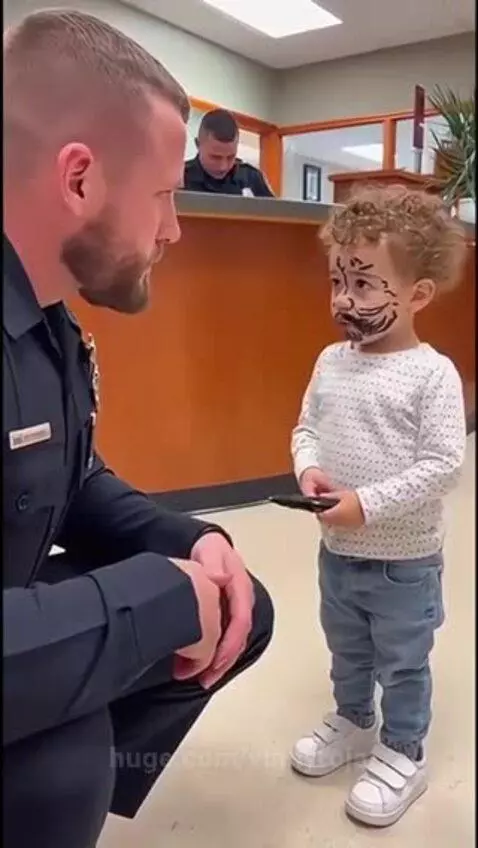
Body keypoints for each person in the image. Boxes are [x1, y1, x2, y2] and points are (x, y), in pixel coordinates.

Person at [3, 10, 274, 848]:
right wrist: (148, 602)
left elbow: (69, 478)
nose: (173, 228)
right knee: (65, 767)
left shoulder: (51, 321)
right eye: (163, 195)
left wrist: (184, 540)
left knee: (241, 604)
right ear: (79, 179)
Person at [289, 186, 467, 827]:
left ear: (418, 294)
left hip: (404, 562)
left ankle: (402, 749)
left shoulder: (432, 374)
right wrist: (307, 466)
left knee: (402, 659)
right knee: (347, 648)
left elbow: (444, 464)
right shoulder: (330, 360)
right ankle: (354, 721)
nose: (344, 300)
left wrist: (366, 504)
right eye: (339, 281)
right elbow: (305, 425)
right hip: (337, 553)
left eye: (365, 286)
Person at [183, 108, 275, 197]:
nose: (223, 167)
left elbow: (275, 212)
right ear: (198, 145)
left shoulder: (252, 178)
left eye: (231, 157)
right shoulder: (179, 177)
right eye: (215, 157)